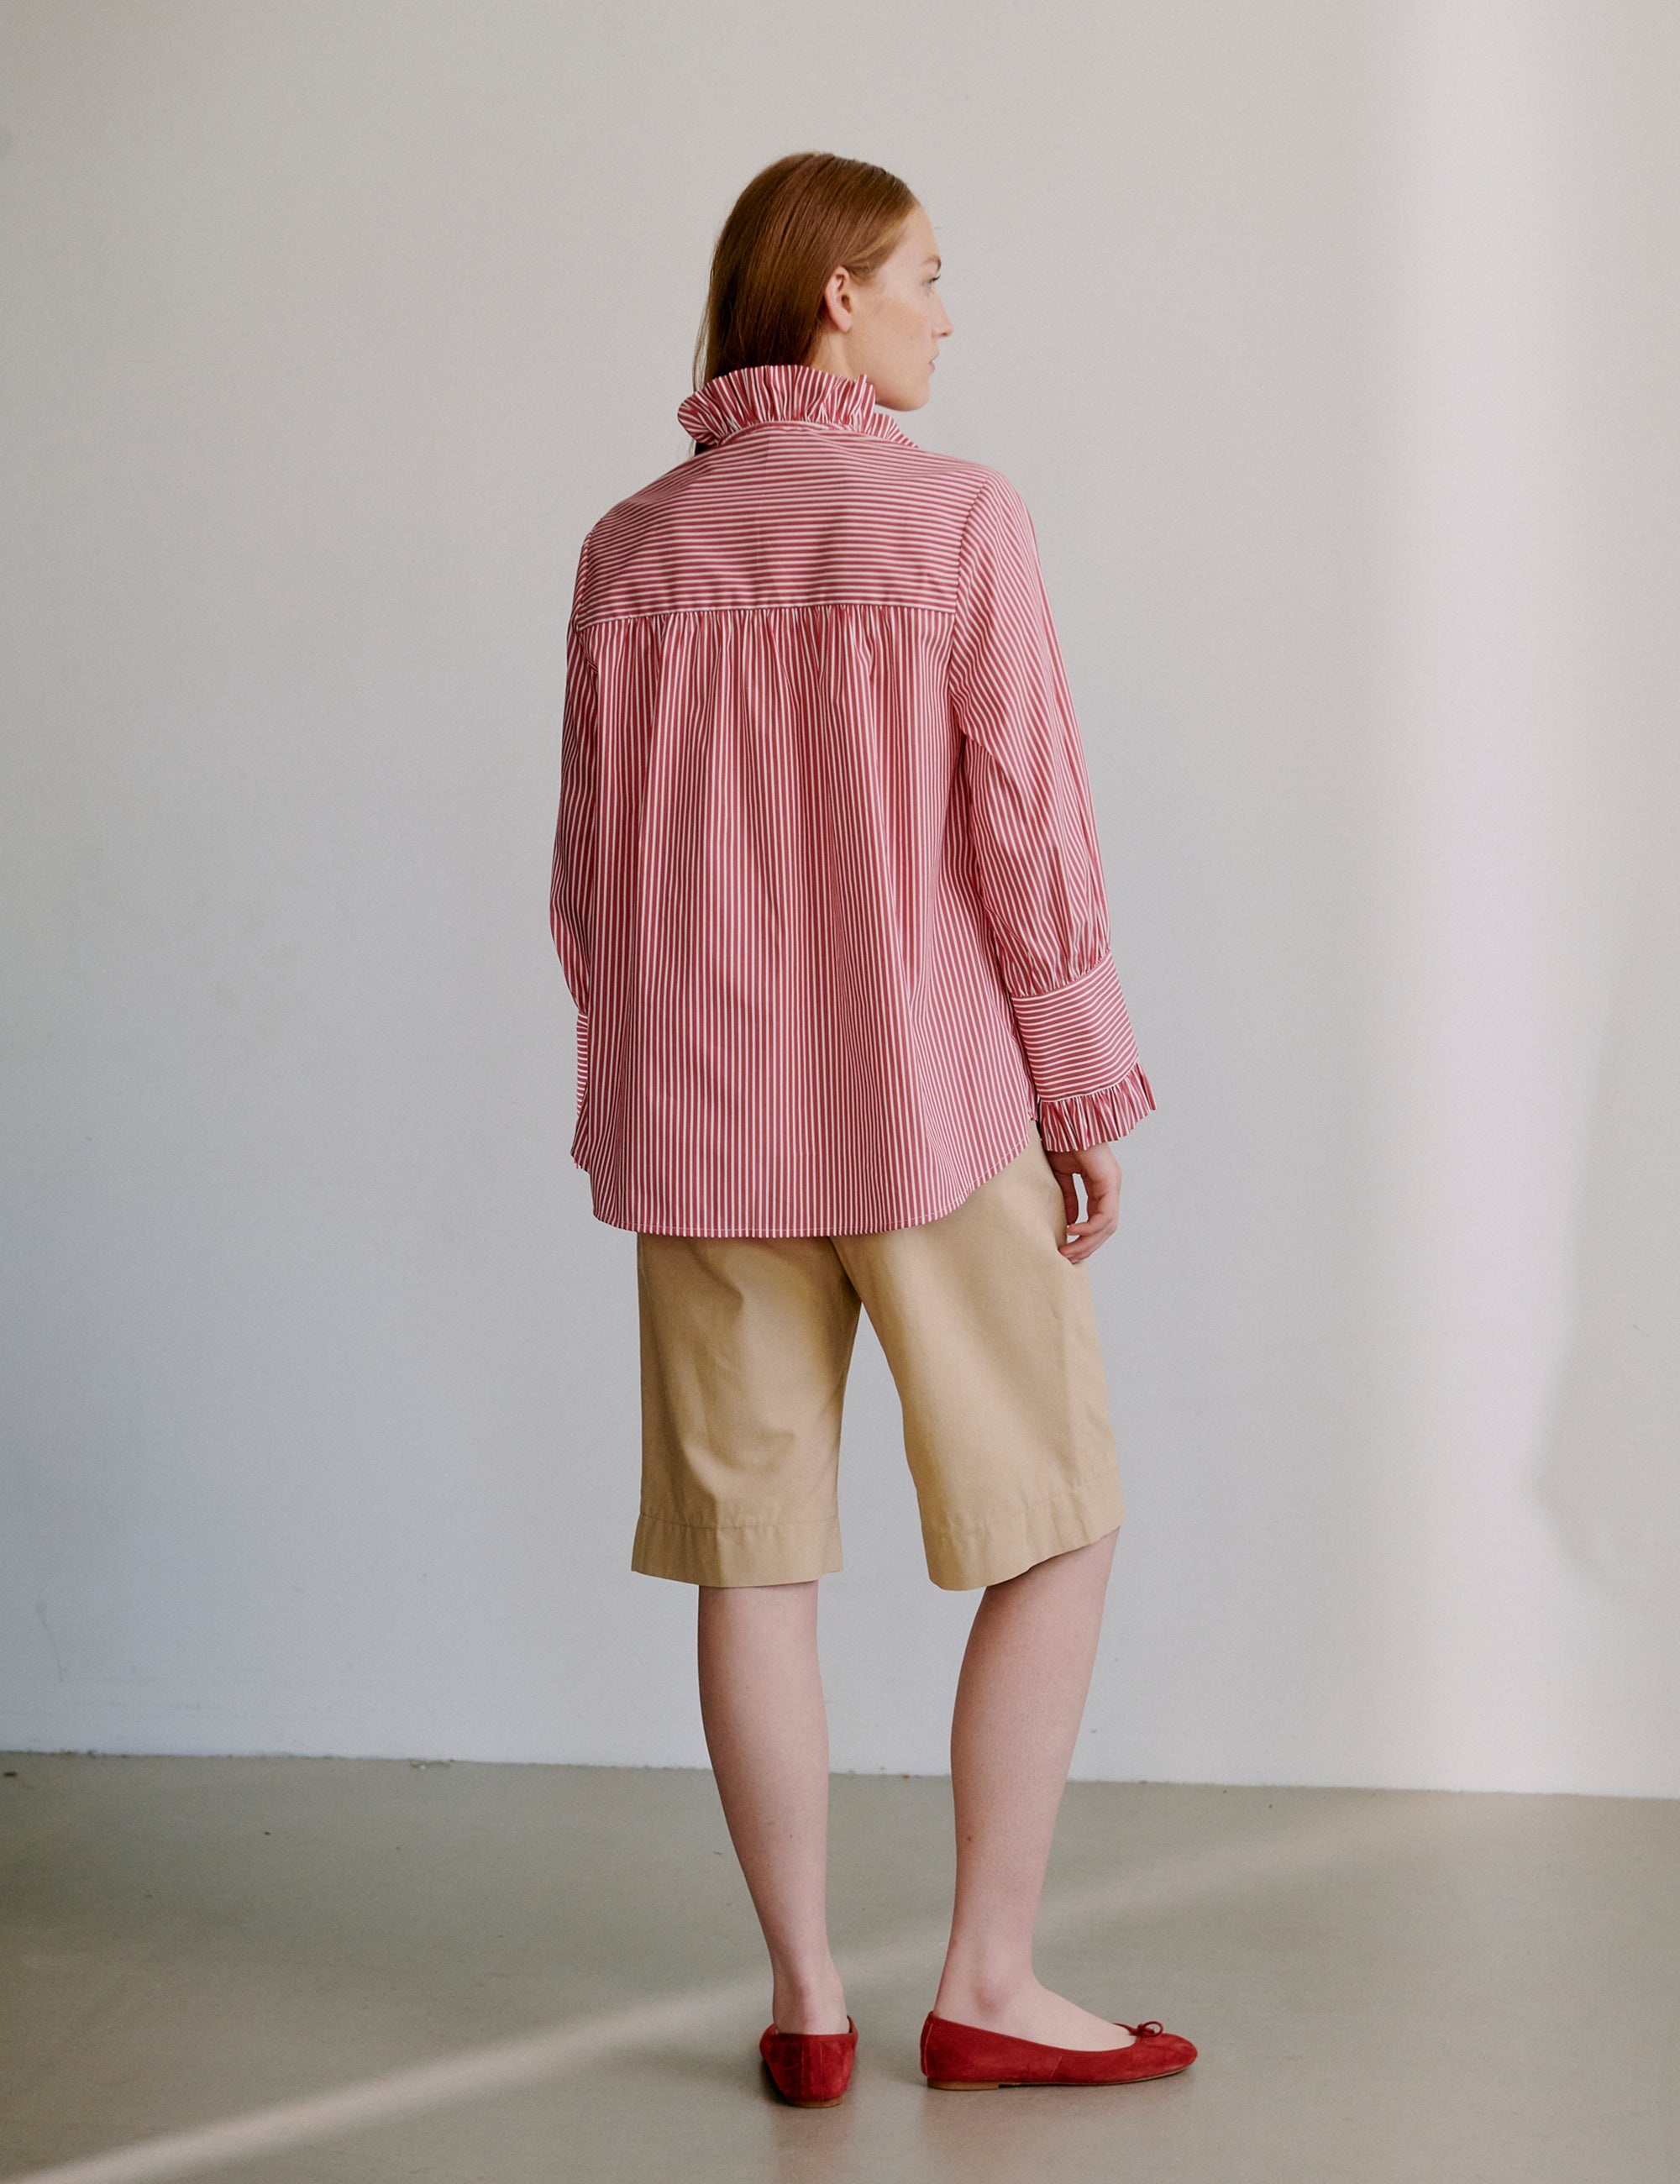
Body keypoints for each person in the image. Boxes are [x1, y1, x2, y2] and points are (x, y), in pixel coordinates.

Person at [549, 150, 1195, 2103]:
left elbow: (587, 884)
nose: (942, 306)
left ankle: (809, 2000)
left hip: (706, 1137)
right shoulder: (951, 522)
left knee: (754, 1559)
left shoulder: (627, 550)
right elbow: (1030, 837)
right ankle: (988, 1972)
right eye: (923, 271)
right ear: (835, 292)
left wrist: (642, 1090)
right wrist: (1084, 1085)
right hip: (934, 1113)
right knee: (1056, 1517)